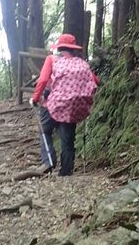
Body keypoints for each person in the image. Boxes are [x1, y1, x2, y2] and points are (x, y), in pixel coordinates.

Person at [29, 33, 99, 176]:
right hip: (72, 107)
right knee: (67, 139)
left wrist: (35, 98)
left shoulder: (52, 59)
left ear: (59, 48)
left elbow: (42, 81)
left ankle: (48, 162)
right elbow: (95, 81)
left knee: (45, 130)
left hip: (51, 104)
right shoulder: (81, 63)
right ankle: (66, 171)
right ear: (73, 49)